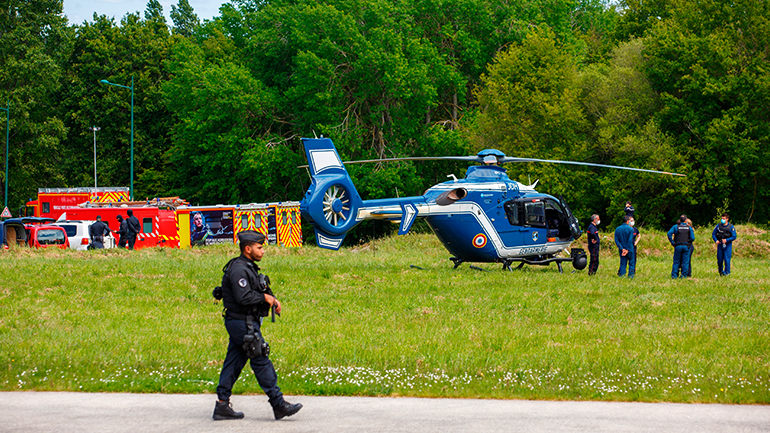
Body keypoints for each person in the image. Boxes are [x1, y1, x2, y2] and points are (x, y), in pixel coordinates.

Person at [213, 230, 302, 421]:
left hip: (244, 322)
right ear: (247, 248)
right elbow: (243, 297)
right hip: (241, 322)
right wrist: (265, 298)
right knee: (260, 357)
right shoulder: (238, 269)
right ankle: (278, 404)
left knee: (234, 361)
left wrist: (272, 300)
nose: (262, 251)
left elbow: (255, 291)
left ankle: (222, 405)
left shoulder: (248, 267)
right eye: (259, 247)